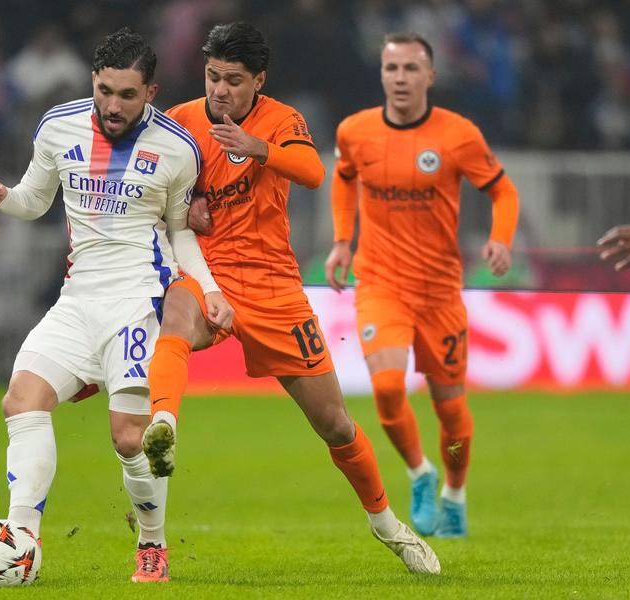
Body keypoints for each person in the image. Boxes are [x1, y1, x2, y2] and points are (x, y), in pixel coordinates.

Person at [140, 22, 440, 574]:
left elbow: (311, 170)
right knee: (176, 315)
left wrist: (259, 148)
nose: (220, 90)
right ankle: (164, 426)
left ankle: (387, 525)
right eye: (212, 77)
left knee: (336, 427)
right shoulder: (177, 122)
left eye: (233, 80)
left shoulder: (281, 120)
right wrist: (181, 212)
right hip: (210, 273)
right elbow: (152, 193)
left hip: (275, 288)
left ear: (259, 80)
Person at [0, 28, 233, 584]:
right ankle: (20, 538)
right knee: (21, 401)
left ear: (150, 90)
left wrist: (209, 288)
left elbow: (180, 232)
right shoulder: (57, 126)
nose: (112, 106)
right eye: (104, 91)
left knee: (129, 437)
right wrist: (6, 200)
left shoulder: (177, 148)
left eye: (126, 94)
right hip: (76, 299)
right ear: (91, 81)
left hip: (137, 302)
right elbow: (35, 199)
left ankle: (151, 545)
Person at [325, 32, 520, 539]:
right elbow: (344, 177)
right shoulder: (356, 131)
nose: (401, 78)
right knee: (388, 389)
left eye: (412, 69)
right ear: (382, 75)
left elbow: (503, 191)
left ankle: (454, 488)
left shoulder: (458, 135)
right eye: (392, 69)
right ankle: (419, 472)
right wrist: (342, 241)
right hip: (381, 283)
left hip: (439, 293)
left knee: (451, 413)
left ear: (430, 77)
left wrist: (500, 239)